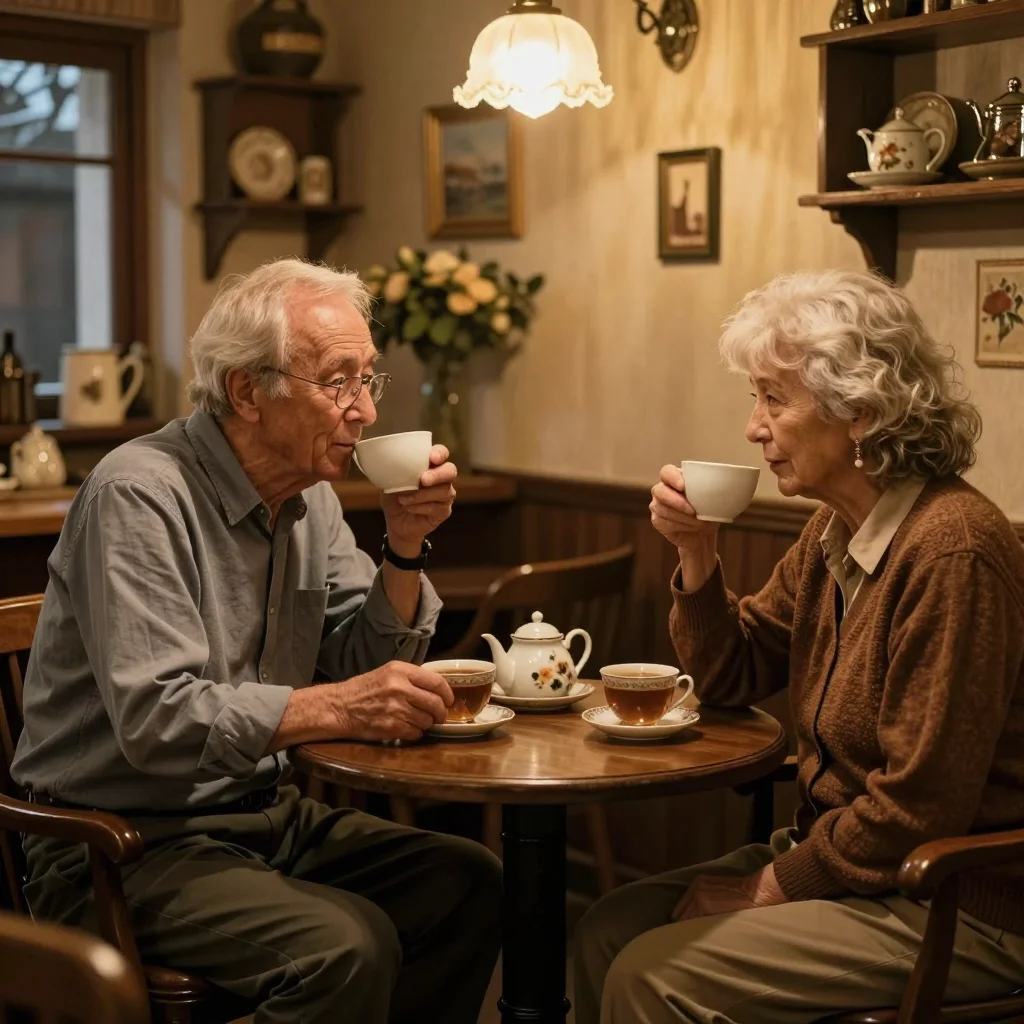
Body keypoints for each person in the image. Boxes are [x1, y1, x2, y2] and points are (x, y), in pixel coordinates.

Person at [12, 258, 502, 1024]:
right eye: (339, 381)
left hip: (259, 815)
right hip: (113, 845)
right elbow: (159, 720)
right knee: (347, 946)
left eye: (370, 380)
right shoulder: (139, 494)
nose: (365, 411)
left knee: (469, 880)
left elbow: (361, 670)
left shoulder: (312, 500)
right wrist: (338, 705)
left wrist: (404, 545)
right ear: (247, 391)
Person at [575, 269, 1024, 1023]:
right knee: (602, 932)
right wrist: (695, 553)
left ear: (861, 410)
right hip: (857, 866)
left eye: (773, 399)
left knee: (653, 975)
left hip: (956, 898)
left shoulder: (953, 550)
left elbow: (919, 807)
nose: (753, 427)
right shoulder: (834, 531)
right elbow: (730, 671)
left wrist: (775, 885)